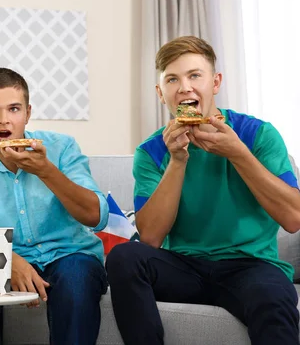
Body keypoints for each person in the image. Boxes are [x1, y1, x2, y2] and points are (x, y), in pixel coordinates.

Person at [106, 36, 300, 345]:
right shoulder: (152, 151)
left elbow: (293, 218)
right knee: (124, 257)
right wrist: (178, 161)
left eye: (195, 75)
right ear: (161, 93)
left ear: (215, 82)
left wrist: (238, 153)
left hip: (251, 266)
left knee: (273, 295)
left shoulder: (258, 134)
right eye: (172, 79)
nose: (184, 87)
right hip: (183, 266)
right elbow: (152, 238)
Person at [0, 67, 109, 345]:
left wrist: (46, 171)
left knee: (74, 278)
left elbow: (97, 217)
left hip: (71, 256)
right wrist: (10, 262)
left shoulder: (62, 148)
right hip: (9, 260)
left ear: (27, 113)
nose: (3, 120)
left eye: (13, 109)